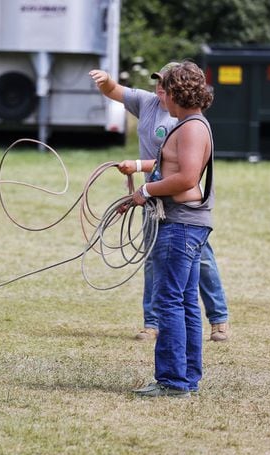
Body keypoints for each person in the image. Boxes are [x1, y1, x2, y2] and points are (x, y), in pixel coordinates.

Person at [89, 64, 231, 342]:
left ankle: (218, 319)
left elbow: (183, 172)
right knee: (155, 261)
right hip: (155, 197)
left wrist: (142, 176)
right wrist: (105, 80)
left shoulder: (189, 124)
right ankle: (152, 323)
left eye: (167, 85)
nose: (161, 90)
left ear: (180, 90)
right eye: (159, 84)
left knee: (199, 264)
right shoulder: (148, 103)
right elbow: (114, 91)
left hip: (180, 207)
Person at [116, 61, 215, 397]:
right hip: (185, 224)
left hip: (180, 225)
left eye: (166, 91)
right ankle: (187, 378)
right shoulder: (190, 125)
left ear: (176, 92)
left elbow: (186, 178)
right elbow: (169, 165)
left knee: (169, 301)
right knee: (184, 301)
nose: (162, 97)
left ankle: (173, 381)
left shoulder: (190, 128)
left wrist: (145, 191)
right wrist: (142, 176)